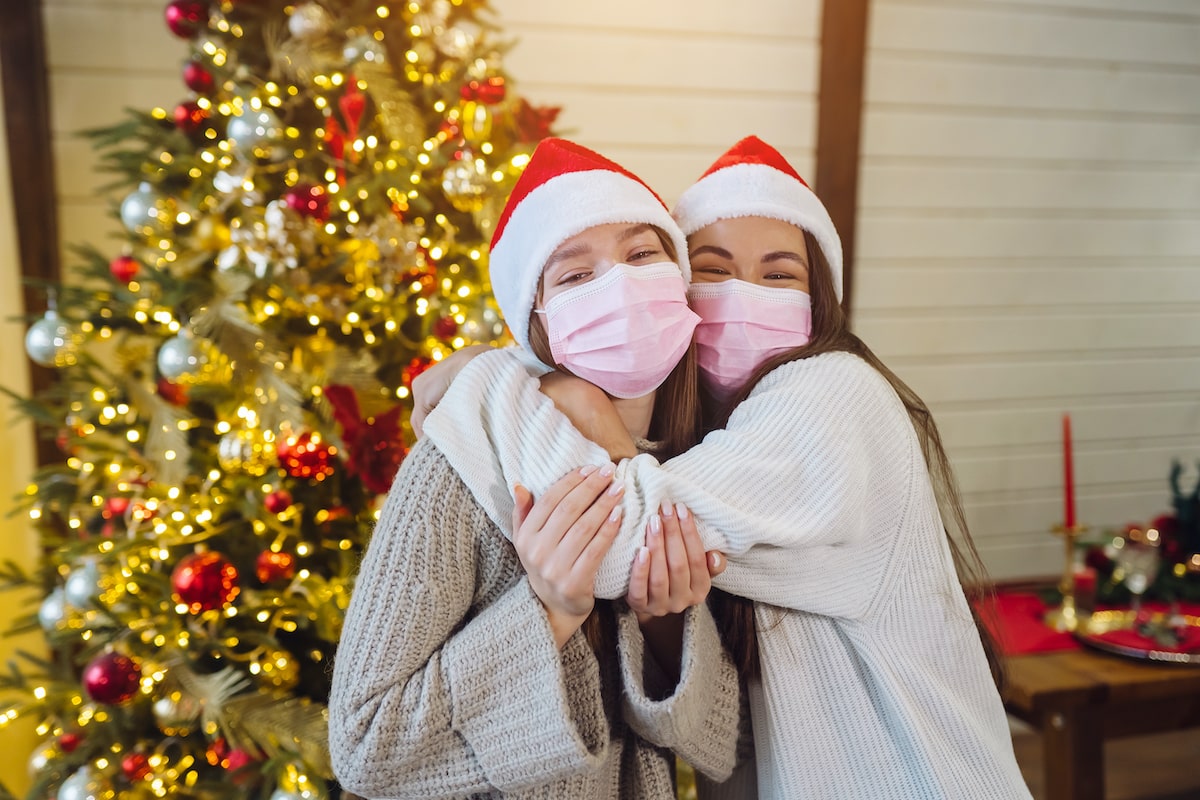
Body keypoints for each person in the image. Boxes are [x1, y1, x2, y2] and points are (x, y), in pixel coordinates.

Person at [418, 137, 1034, 799]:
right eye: (713, 271)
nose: (744, 297)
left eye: (779, 276)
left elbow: (620, 538)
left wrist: (499, 381)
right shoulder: (703, 447)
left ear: (818, 298)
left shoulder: (832, 394)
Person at [328, 138, 741, 799]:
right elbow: (365, 745)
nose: (620, 286)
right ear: (538, 324)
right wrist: (548, 611)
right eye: (576, 275)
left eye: (642, 254)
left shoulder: (707, 460)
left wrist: (663, 617)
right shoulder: (464, 456)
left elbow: (725, 744)